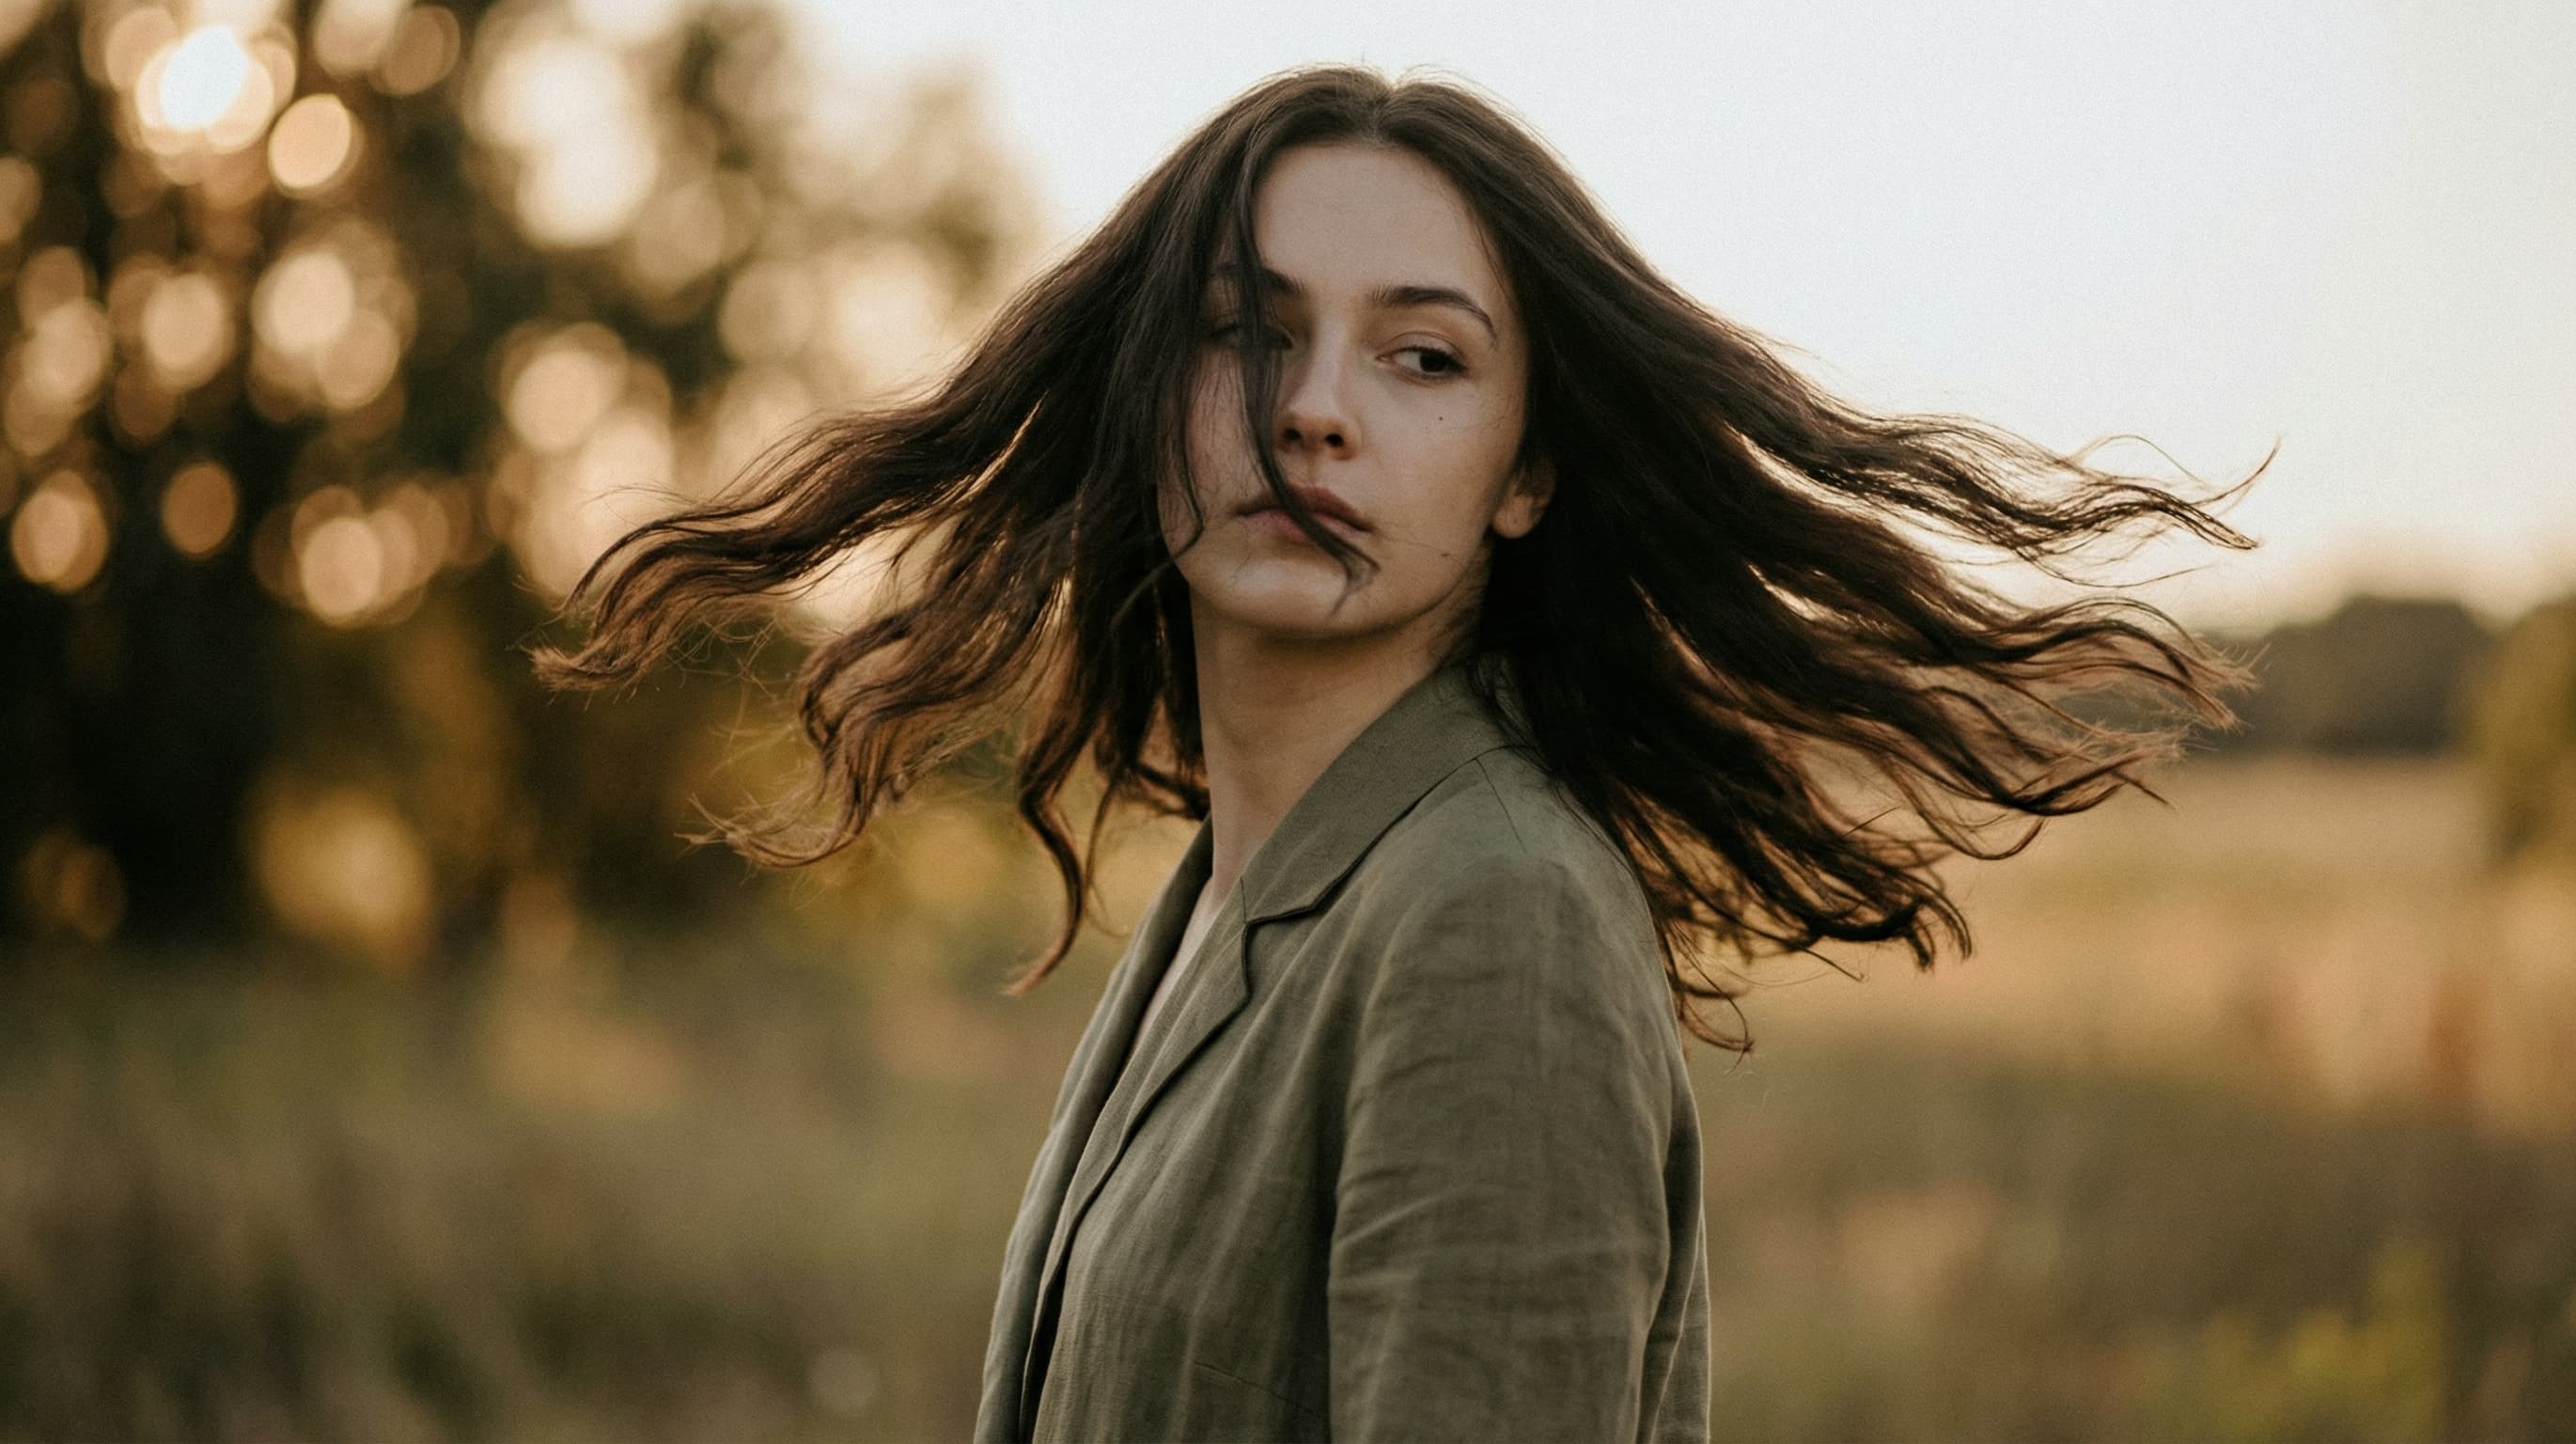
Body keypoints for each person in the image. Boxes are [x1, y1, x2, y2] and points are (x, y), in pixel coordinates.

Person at [534, 63, 2258, 1443]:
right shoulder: (1235, 888)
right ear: (1150, 396)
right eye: (1246, 331)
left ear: (1527, 475)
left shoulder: (1494, 915)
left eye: (1422, 357)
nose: (1313, 408)